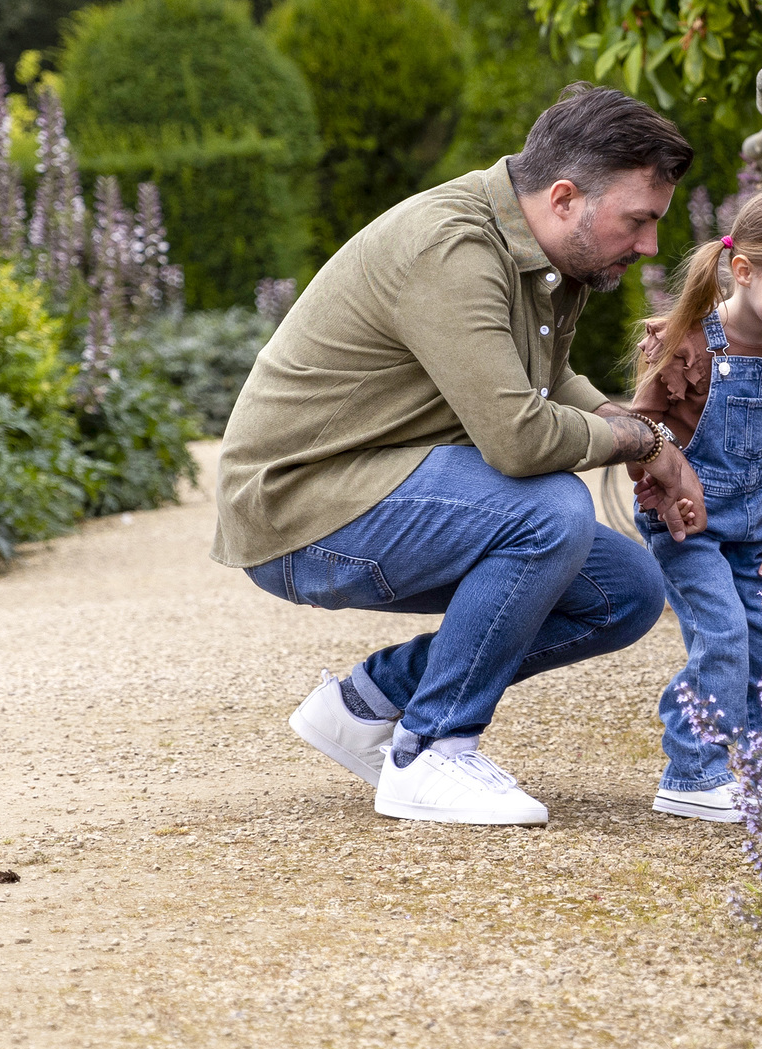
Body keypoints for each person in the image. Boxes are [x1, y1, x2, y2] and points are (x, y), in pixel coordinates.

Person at [213, 83, 711, 827]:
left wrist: (632, 425)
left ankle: (368, 704)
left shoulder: (549, 255)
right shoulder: (452, 248)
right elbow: (519, 440)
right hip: (301, 509)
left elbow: (550, 380)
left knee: (626, 590)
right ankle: (430, 751)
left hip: (382, 484)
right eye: (638, 221)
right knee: (548, 510)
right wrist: (641, 442)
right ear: (566, 197)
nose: (648, 246)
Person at [621, 185, 762, 825]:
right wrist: (660, 490)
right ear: (743, 271)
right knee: (721, 633)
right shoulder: (688, 346)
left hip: (752, 525)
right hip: (684, 525)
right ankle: (692, 772)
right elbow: (639, 431)